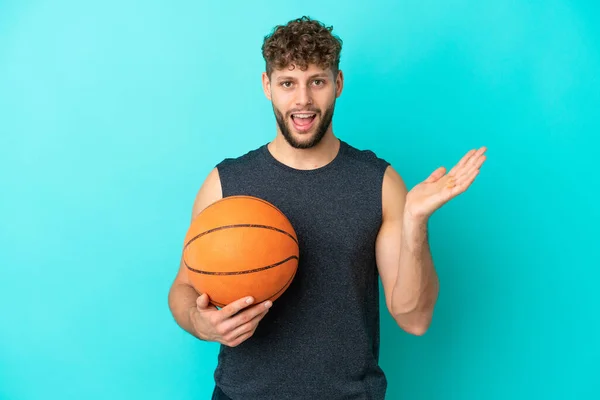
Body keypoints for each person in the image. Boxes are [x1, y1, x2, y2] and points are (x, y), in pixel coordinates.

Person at [168, 16, 487, 400]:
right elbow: (184, 288)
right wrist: (200, 323)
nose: (303, 99)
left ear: (337, 84)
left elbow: (414, 318)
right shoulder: (225, 183)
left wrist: (415, 223)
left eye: (316, 81)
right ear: (267, 86)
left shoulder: (380, 183)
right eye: (288, 83)